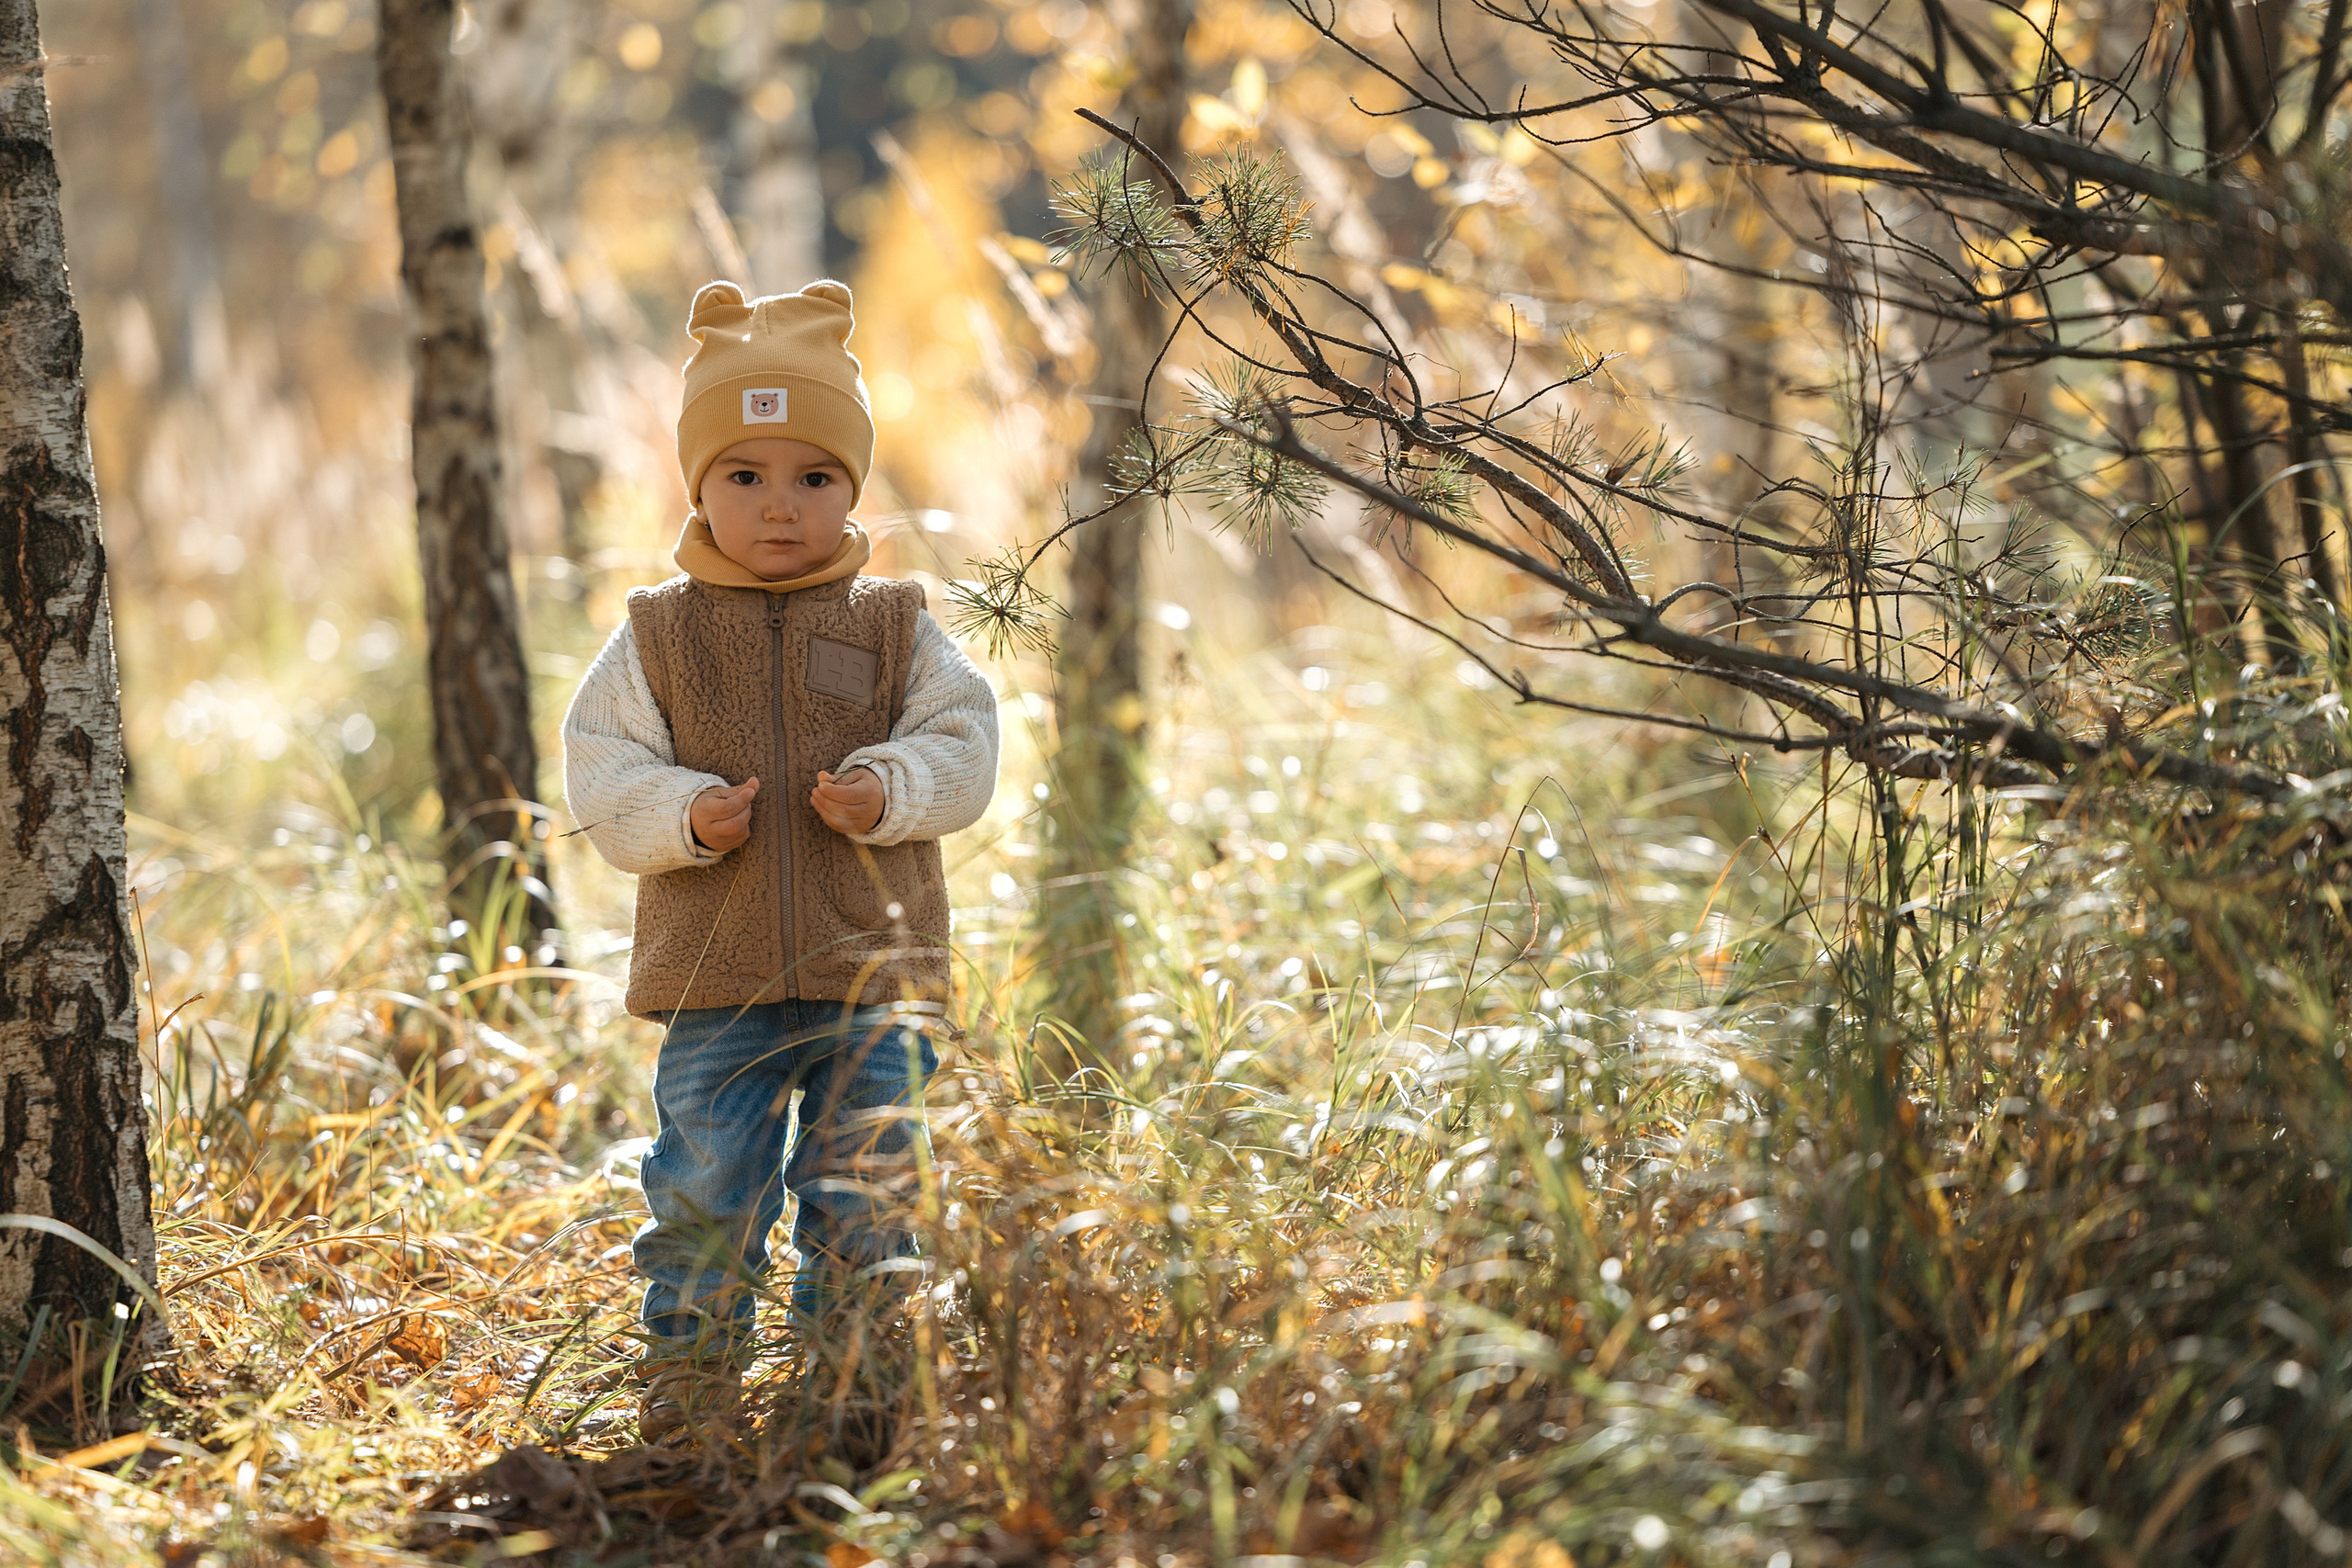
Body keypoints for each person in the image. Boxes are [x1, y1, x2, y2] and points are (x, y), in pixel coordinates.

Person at [561, 278, 999, 1444]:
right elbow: (601, 772)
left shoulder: (896, 619)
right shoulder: (657, 632)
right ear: (697, 485)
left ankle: (854, 1396)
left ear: (853, 486)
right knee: (706, 1184)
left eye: (814, 477)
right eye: (743, 476)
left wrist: (893, 789)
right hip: (720, 977)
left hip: (875, 978)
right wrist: (684, 813)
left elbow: (965, 742)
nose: (779, 507)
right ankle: (690, 1394)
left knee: (869, 1192)